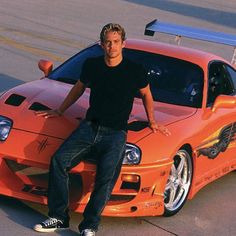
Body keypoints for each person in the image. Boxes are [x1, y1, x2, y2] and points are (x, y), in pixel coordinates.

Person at [33, 23, 170, 236]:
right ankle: (59, 217)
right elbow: (78, 89)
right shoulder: (92, 65)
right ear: (102, 44)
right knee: (59, 161)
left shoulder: (135, 70)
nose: (111, 46)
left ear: (123, 44)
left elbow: (146, 95)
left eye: (116, 42)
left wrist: (152, 121)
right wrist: (60, 110)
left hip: (116, 134)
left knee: (105, 179)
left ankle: (89, 226)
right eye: (107, 42)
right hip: (89, 128)